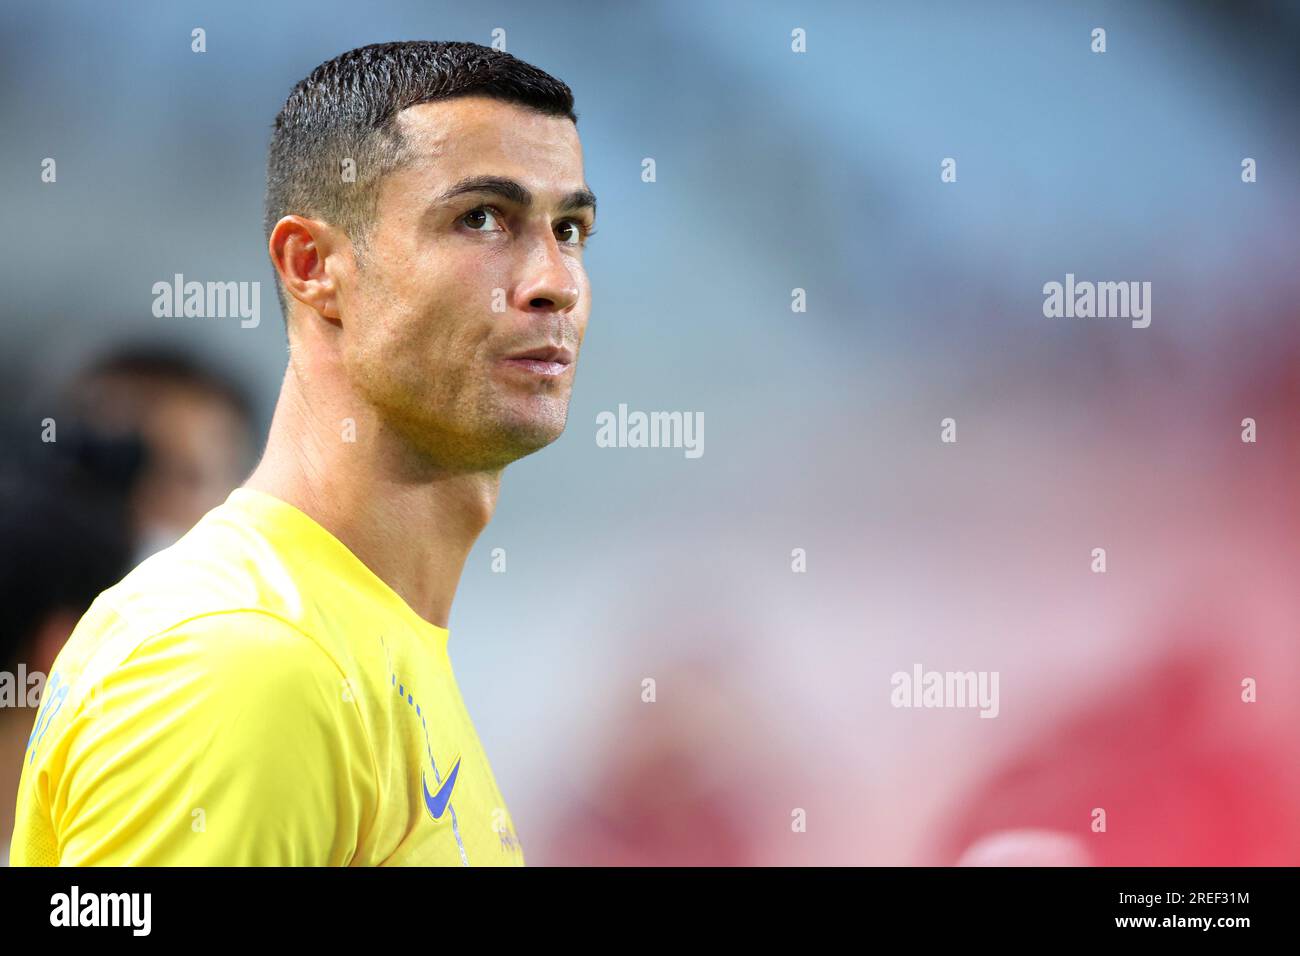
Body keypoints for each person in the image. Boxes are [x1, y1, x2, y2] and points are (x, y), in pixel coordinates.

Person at [10, 39, 595, 866]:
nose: (554, 281)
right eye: (482, 218)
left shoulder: (357, 637)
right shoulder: (243, 661)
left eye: (569, 228)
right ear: (313, 265)